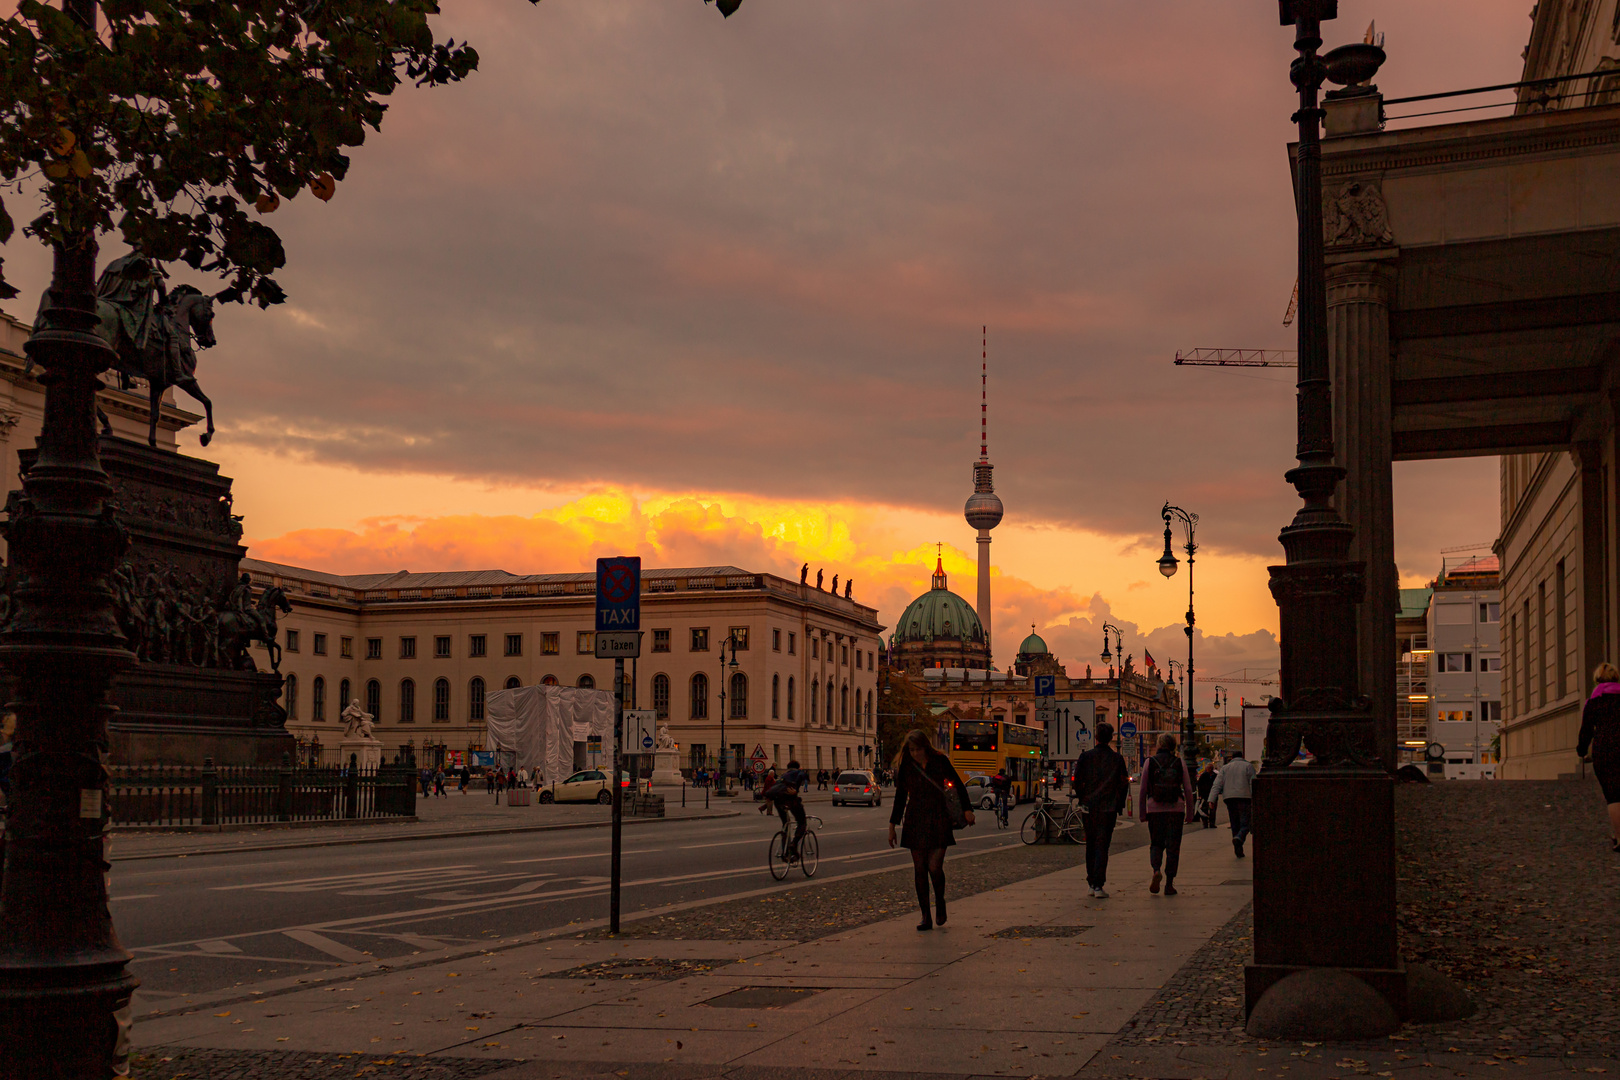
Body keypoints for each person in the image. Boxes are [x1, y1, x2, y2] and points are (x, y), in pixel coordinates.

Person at [887, 728, 975, 931]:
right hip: (915, 818)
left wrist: (968, 809)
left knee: (934, 867)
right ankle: (925, 915)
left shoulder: (939, 761)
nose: (915, 753)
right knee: (919, 869)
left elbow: (959, 786)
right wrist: (892, 826)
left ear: (926, 747)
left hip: (938, 818)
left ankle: (940, 901)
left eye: (918, 749)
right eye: (911, 750)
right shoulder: (907, 765)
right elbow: (900, 797)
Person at [1070, 722, 1130, 898]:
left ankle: (1091, 882)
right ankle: (1098, 884)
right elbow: (1123, 783)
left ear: (1095, 737)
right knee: (1103, 845)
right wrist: (1119, 804)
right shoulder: (1117, 759)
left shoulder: (1085, 757)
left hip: (1089, 806)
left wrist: (1082, 798)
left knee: (1090, 843)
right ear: (1111, 738)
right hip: (1108, 807)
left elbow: (1077, 781)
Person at [1137, 734, 1196, 896]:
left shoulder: (1150, 762)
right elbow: (1189, 789)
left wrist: (1143, 813)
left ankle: (1156, 870)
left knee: (1156, 843)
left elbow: (1142, 790)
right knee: (1173, 847)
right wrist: (1190, 814)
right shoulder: (1179, 762)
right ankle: (1169, 884)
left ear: (1159, 745)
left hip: (1155, 809)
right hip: (1176, 809)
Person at [1577, 661, 1620, 853]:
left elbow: (1586, 729)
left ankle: (1619, 837)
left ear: (1597, 680)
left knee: (1613, 796)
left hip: (1604, 751)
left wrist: (1581, 749)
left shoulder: (1594, 702)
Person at [760, 759, 810, 860]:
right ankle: (793, 844)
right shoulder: (798, 772)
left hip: (778, 801)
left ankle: (785, 852)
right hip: (790, 800)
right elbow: (805, 777)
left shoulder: (783, 775)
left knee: (785, 824)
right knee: (801, 822)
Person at [1209, 749, 1256, 858]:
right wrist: (1255, 797)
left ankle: (1238, 849)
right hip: (1244, 797)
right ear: (1242, 756)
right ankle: (1239, 837)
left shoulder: (1225, 768)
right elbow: (1253, 783)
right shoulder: (1248, 766)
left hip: (1229, 798)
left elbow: (1217, 784)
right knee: (1245, 823)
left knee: (1234, 823)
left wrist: (1211, 799)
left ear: (1232, 758)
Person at [1196, 761, 1218, 829]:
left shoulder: (1214, 775)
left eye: (1210, 768)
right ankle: (1206, 823)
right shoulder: (1204, 775)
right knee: (1205, 809)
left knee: (1212, 810)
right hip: (1205, 794)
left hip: (1212, 794)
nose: (1209, 769)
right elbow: (1199, 785)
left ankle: (1211, 823)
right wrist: (1200, 794)